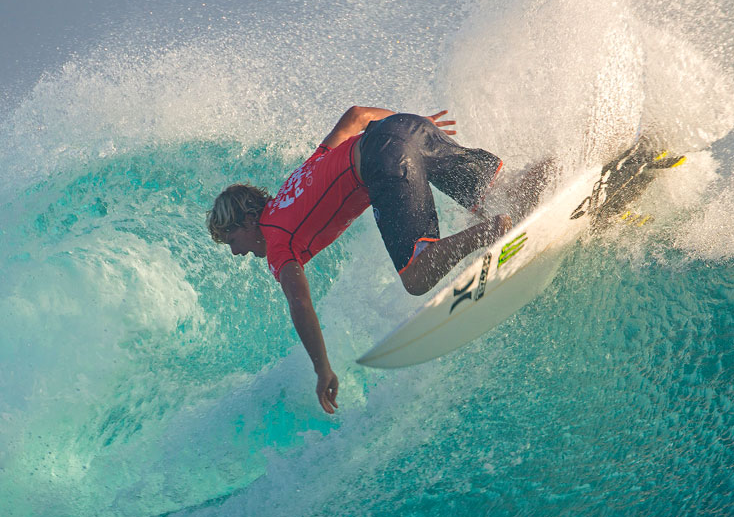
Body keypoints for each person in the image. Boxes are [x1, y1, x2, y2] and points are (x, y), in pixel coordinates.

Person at [207, 106, 512, 414]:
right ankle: (537, 184)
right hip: (406, 127)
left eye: (232, 240)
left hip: (383, 160)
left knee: (417, 276)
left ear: (249, 221)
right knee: (503, 196)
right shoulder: (296, 181)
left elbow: (299, 302)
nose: (236, 252)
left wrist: (322, 369)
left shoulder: (277, 241)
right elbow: (355, 116)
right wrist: (417, 125)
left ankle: (492, 230)